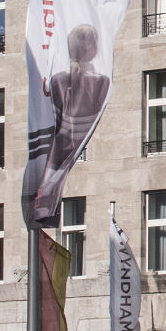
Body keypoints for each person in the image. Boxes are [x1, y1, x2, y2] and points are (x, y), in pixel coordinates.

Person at [24, 23, 111, 224]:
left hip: (57, 156)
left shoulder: (57, 81)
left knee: (44, 202)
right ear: (94, 50)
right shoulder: (102, 82)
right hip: (70, 152)